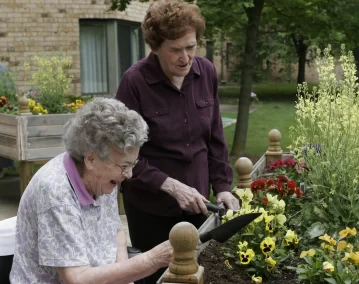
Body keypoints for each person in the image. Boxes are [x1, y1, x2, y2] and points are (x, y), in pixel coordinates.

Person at [115, 0, 240, 282]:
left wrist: (222, 187)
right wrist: (170, 186)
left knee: (198, 275)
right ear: (156, 47)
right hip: (151, 209)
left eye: (191, 47)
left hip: (198, 204)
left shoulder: (206, 72)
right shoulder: (134, 82)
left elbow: (215, 138)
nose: (186, 57)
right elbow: (121, 156)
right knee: (159, 278)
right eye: (175, 50)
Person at [9, 98, 173, 284]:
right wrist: (151, 260)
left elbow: (115, 230)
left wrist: (125, 278)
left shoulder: (102, 176)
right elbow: (77, 279)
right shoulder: (56, 192)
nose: (129, 174)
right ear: (91, 159)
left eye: (132, 164)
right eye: (124, 166)